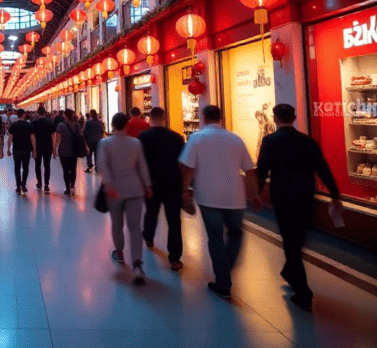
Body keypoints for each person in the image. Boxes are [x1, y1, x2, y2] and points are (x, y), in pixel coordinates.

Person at [256, 104, 343, 312]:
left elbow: (261, 170)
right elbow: (322, 168)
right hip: (305, 197)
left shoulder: (270, 141)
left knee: (290, 243)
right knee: (297, 240)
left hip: (282, 198)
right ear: (294, 117)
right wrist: (335, 194)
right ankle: (294, 277)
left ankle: (303, 293)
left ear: (275, 118)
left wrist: (256, 194)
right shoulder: (308, 142)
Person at [179, 105, 261, 299]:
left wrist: (185, 190)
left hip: (208, 197)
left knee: (215, 239)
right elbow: (250, 170)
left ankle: (223, 280)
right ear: (221, 118)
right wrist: (255, 194)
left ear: (203, 117)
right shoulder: (235, 139)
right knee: (236, 233)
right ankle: (227, 268)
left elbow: (187, 168)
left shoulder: (197, 138)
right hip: (235, 197)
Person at [97, 112, 152, 284]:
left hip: (115, 191)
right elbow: (142, 166)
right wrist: (148, 186)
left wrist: (108, 185)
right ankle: (137, 264)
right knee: (135, 227)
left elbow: (102, 167)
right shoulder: (136, 143)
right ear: (126, 125)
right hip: (135, 189)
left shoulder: (105, 143)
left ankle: (119, 253)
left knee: (117, 224)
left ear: (112, 125)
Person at [138, 107, 185, 271]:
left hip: (151, 183)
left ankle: (149, 237)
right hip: (173, 184)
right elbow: (183, 163)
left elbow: (139, 162)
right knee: (174, 220)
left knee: (151, 212)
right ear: (165, 118)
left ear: (150, 118)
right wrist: (186, 187)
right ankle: (174, 259)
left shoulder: (143, 137)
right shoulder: (176, 138)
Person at [54, 109, 84, 197]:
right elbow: (81, 137)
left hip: (63, 151)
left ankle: (67, 189)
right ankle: (72, 186)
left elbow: (58, 139)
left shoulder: (60, 125)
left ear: (66, 115)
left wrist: (55, 149)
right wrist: (85, 146)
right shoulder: (76, 125)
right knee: (73, 169)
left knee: (65, 170)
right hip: (74, 150)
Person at [7, 108, 36, 195]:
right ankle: (24, 184)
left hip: (16, 149)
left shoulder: (13, 125)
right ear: (24, 114)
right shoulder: (29, 125)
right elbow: (32, 138)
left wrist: (8, 148)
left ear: (16, 114)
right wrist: (34, 149)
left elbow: (10, 138)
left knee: (17, 168)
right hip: (27, 149)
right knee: (25, 167)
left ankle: (18, 186)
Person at [31, 106, 55, 193]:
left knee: (38, 165)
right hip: (48, 146)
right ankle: (46, 185)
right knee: (47, 165)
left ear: (37, 113)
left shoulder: (34, 123)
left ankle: (39, 183)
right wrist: (54, 149)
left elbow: (32, 137)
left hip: (37, 147)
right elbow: (53, 136)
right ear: (45, 113)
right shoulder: (50, 122)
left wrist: (33, 149)